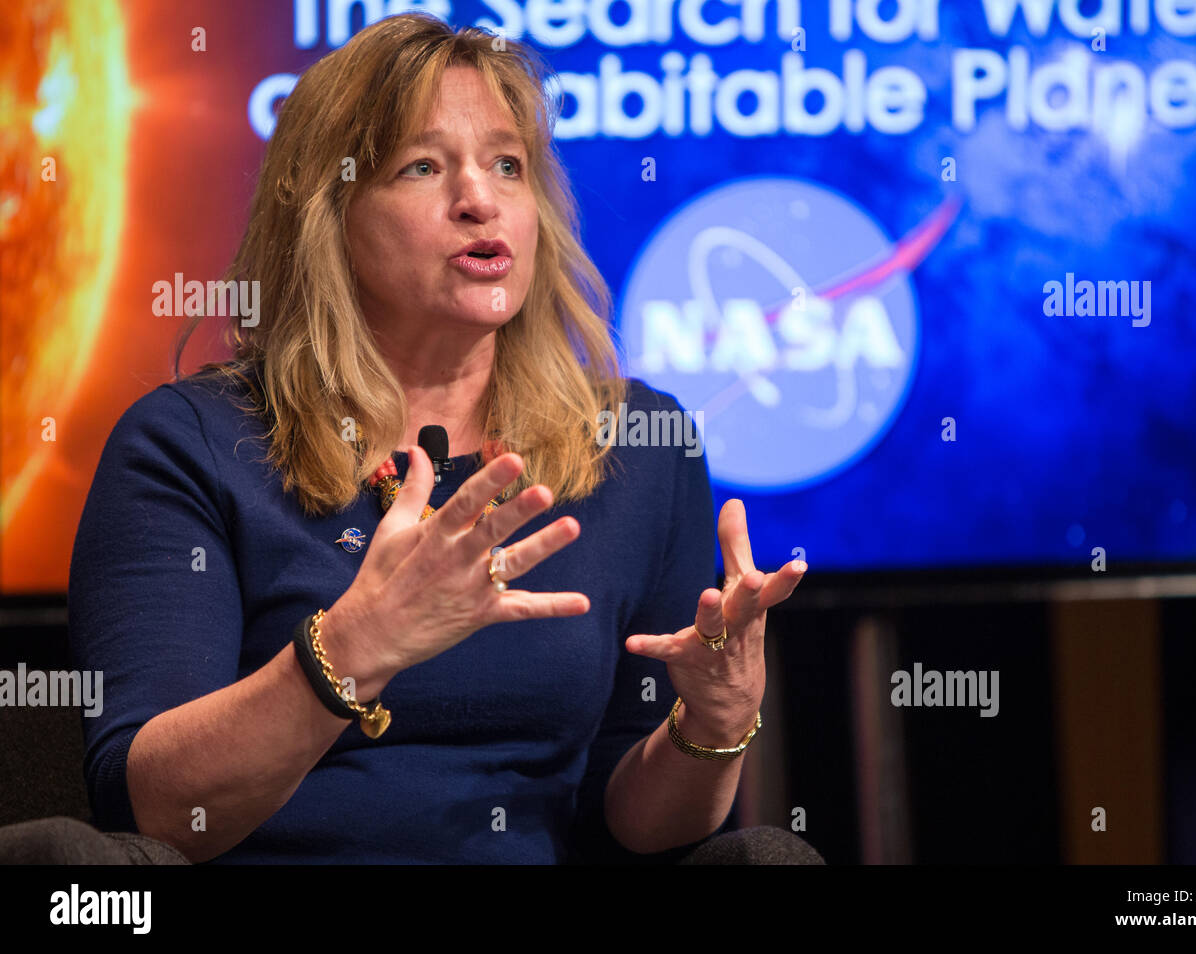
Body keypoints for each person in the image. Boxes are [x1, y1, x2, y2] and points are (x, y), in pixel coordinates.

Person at [65, 14, 812, 864]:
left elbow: (637, 825)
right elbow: (156, 808)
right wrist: (356, 646)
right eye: (422, 166)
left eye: (507, 165)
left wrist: (713, 721)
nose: (479, 200)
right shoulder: (191, 446)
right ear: (329, 212)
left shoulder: (636, 448)